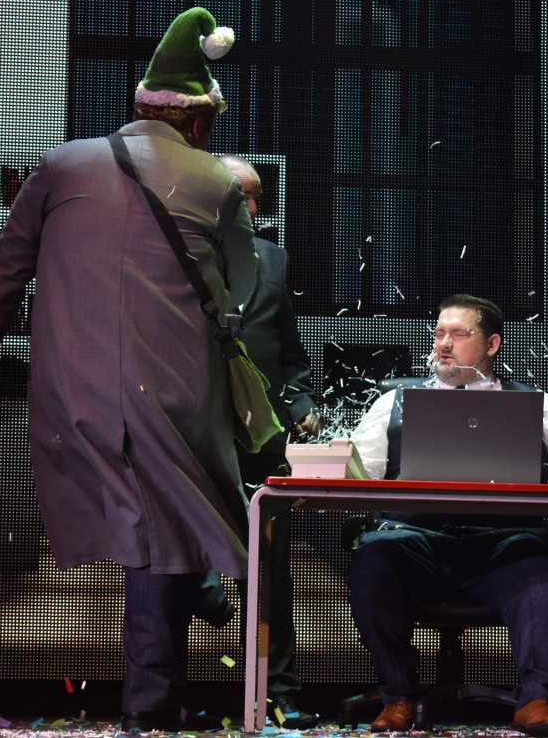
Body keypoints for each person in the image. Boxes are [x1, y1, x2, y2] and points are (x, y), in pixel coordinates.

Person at [0, 9, 273, 733]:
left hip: (75, 385)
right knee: (167, 529)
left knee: (146, 528)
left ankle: (165, 667)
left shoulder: (61, 164)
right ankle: (158, 688)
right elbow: (242, 286)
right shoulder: (217, 180)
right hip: (178, 388)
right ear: (197, 120)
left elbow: (6, 269)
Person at [347, 294, 548, 736]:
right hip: (411, 541)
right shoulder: (395, 403)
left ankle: (538, 700)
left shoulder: (534, 403)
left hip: (501, 545)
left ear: (492, 344)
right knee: (372, 563)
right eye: (439, 334)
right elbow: (358, 471)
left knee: (539, 570)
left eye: (458, 334)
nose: (443, 344)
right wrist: (325, 464)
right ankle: (398, 697)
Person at [219, 153, 322, 729]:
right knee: (179, 567)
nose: (256, 207)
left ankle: (277, 691)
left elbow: (290, 353)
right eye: (244, 195)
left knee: (270, 572)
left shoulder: (273, 258)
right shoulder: (174, 252)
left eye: (258, 197)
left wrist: (301, 402)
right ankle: (164, 692)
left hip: (262, 440)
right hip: (193, 436)